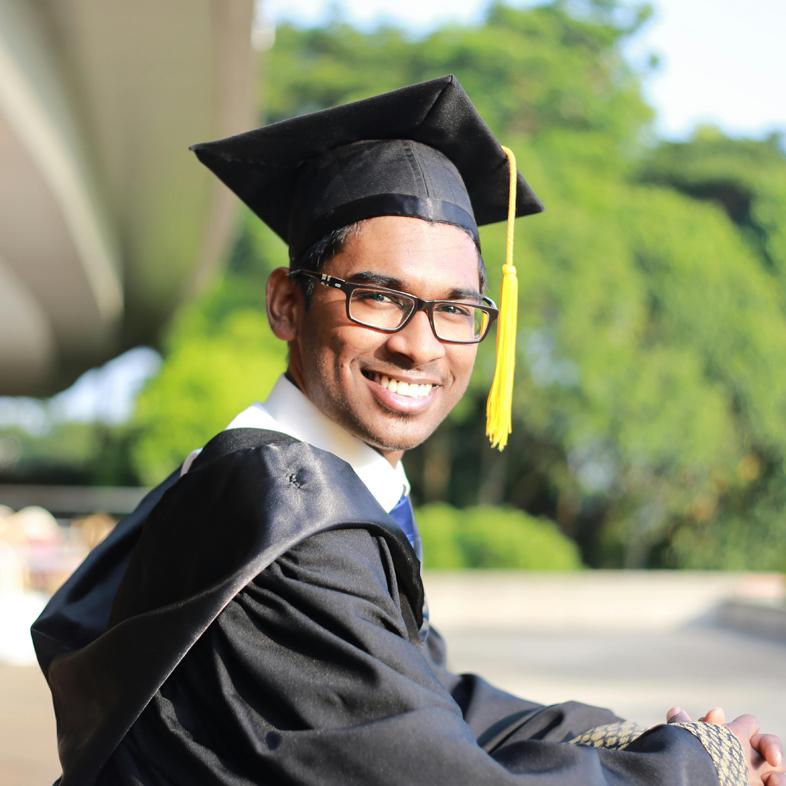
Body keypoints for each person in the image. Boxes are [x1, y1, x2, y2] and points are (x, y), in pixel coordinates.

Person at [32, 75, 784, 786]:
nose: (420, 346)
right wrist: (694, 765)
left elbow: (429, 696)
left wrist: (640, 740)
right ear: (286, 305)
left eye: (456, 309)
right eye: (376, 296)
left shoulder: (307, 486)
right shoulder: (286, 527)